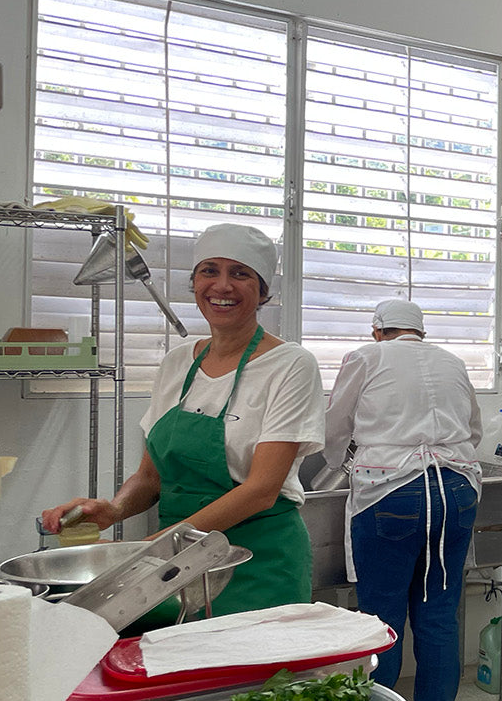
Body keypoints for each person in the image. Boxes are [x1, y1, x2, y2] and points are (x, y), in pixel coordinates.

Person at [42, 223, 325, 618]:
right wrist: (113, 509)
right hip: (173, 569)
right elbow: (151, 477)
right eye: (209, 271)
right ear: (194, 284)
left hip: (258, 562)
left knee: (254, 678)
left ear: (262, 291)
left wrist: (152, 549)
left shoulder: (291, 365)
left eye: (240, 274)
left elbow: (261, 489)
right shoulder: (178, 361)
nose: (222, 286)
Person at [323, 298, 482, 701]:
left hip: (391, 491)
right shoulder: (451, 361)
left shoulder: (366, 357)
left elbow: (335, 424)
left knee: (382, 617)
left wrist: (339, 463)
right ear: (420, 333)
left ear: (378, 331)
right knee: (438, 613)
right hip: (456, 489)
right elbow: (472, 430)